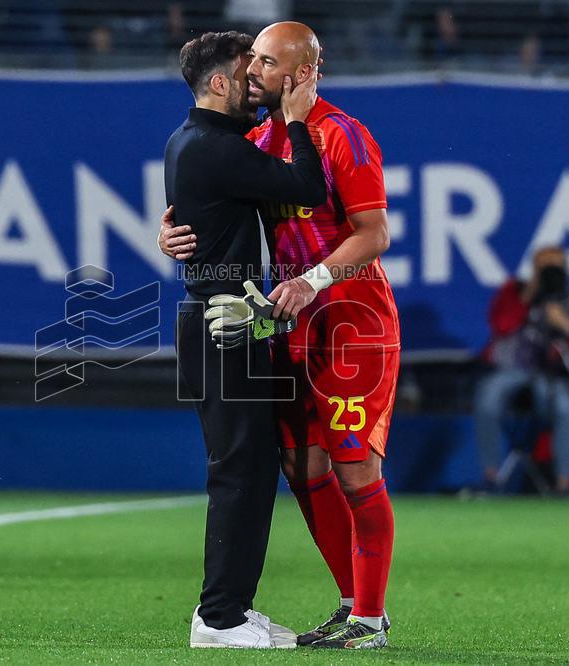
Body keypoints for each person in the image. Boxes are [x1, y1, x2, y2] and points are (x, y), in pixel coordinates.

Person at [162, 21, 399, 650]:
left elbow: (374, 234)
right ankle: (353, 606)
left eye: (265, 63)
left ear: (299, 74)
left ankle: (370, 621)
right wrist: (172, 232)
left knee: (353, 472)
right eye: (250, 63)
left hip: (352, 322)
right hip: (288, 322)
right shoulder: (263, 137)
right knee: (299, 463)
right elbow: (210, 185)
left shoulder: (343, 135)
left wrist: (314, 280)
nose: (254, 74)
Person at [164, 30, 326, 649]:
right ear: (221, 84)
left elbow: (194, 218)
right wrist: (300, 119)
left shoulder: (197, 141)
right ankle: (218, 617)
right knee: (239, 469)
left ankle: (232, 607)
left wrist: (172, 236)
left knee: (253, 468)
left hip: (231, 318)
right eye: (248, 67)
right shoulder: (214, 147)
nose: (258, 75)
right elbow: (308, 188)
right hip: (222, 323)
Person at [474, 246, 569, 495]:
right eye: (544, 266)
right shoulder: (514, 291)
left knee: (567, 409)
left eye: (555, 266)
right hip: (511, 369)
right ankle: (491, 477)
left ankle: (565, 484)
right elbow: (501, 326)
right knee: (488, 398)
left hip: (548, 374)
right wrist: (528, 297)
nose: (549, 271)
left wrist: (565, 325)